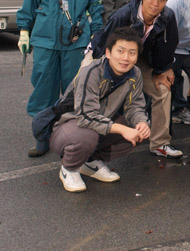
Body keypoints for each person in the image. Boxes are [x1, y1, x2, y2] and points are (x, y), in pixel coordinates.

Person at [17, 0, 104, 157]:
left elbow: (96, 9)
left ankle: (69, 136)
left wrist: (96, 37)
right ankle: (42, 137)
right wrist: (24, 31)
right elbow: (30, 3)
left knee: (73, 92)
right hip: (45, 41)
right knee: (43, 90)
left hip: (76, 44)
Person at [90, 0, 181, 159]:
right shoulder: (124, 15)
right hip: (107, 55)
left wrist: (161, 70)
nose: (156, 3)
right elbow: (105, 45)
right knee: (94, 88)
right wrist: (105, 71)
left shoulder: (168, 17)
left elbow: (168, 46)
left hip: (140, 58)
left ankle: (160, 143)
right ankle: (87, 139)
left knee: (163, 89)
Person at [50, 27, 150, 193]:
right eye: (121, 51)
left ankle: (89, 162)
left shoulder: (135, 74)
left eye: (132, 53)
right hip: (68, 127)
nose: (126, 58)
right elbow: (85, 117)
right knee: (87, 135)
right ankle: (69, 168)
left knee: (137, 131)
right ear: (108, 53)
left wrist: (141, 122)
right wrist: (121, 129)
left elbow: (135, 105)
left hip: (98, 123)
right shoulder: (91, 72)